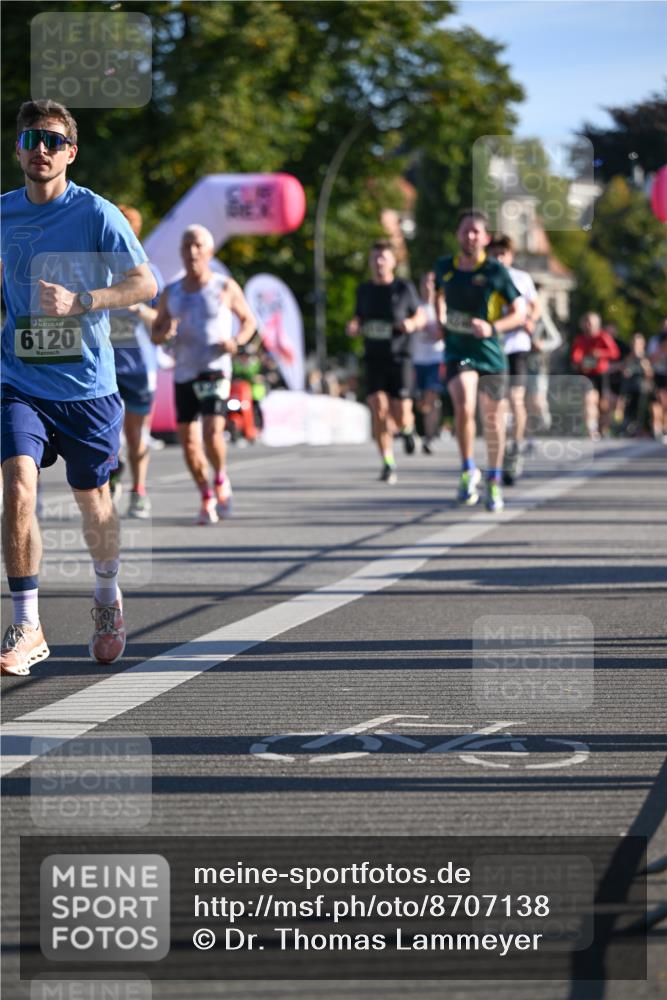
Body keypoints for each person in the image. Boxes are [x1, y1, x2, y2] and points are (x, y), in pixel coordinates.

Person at [1, 99, 157, 675]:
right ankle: (27, 623)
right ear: (17, 149)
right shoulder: (3, 214)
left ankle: (108, 598)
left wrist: (84, 301)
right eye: (28, 139)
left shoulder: (96, 214)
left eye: (51, 140)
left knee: (94, 501)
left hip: (88, 386)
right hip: (20, 380)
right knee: (17, 484)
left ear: (70, 151)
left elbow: (146, 282)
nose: (39, 149)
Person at [151, 225, 256, 524]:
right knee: (189, 442)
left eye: (198, 245)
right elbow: (156, 333)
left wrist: (236, 342)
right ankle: (205, 493)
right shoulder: (172, 291)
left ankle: (221, 476)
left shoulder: (224, 286)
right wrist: (164, 332)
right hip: (183, 371)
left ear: (209, 252)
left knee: (211, 433)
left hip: (214, 368)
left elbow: (249, 321)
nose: (192, 251)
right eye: (187, 246)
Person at [434, 210, 523, 511]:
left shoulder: (497, 271)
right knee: (463, 401)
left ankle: (494, 480)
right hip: (459, 351)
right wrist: (440, 320)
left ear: (485, 238)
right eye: (465, 231)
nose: (470, 236)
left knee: (494, 422)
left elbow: (520, 313)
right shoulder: (445, 267)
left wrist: (493, 327)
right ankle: (468, 468)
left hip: (491, 354)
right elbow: (437, 293)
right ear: (458, 235)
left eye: (476, 232)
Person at [346, 240, 425, 484]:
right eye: (375, 258)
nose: (379, 262)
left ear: (392, 261)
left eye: (383, 258)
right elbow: (358, 315)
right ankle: (388, 462)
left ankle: (408, 429)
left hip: (400, 356)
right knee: (378, 407)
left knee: (401, 414)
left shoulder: (403, 288)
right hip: (373, 357)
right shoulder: (365, 290)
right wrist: (354, 325)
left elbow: (420, 314)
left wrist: (412, 324)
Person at [108, 205, 162, 518]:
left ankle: (139, 490)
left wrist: (138, 309)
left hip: (141, 366)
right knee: (108, 435)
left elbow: (164, 322)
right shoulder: (97, 270)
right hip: (107, 366)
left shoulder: (148, 272)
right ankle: (113, 476)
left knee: (137, 435)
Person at [487, 234, 541, 485]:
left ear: (510, 256)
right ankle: (502, 449)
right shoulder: (484, 278)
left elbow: (535, 306)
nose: (498, 258)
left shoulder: (521, 278)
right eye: (494, 254)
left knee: (515, 398)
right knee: (498, 404)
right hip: (492, 348)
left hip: (517, 346)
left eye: (502, 254)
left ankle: (516, 446)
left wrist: (529, 318)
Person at [570, 312, 620, 440]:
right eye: (586, 323)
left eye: (590, 323)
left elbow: (614, 353)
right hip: (587, 375)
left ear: (597, 324)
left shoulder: (603, 337)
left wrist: (600, 353)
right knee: (589, 400)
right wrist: (580, 362)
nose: (588, 326)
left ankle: (604, 428)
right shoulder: (580, 339)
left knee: (604, 404)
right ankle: (591, 429)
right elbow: (575, 356)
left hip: (601, 374)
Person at [412, 271, 444, 454]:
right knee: (419, 402)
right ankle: (416, 431)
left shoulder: (441, 306)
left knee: (432, 398)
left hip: (435, 358)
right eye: (424, 282)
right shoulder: (415, 306)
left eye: (431, 283)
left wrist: (440, 330)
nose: (427, 286)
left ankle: (429, 438)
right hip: (416, 359)